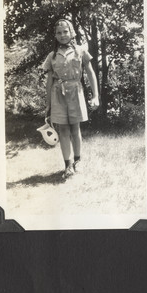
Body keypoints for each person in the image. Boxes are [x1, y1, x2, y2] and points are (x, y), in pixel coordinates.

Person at [42, 18, 99, 179]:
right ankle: (67, 165)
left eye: (65, 31)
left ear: (72, 32)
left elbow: (90, 73)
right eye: (59, 33)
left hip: (76, 92)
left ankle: (77, 161)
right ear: (55, 35)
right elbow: (49, 82)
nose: (62, 35)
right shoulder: (52, 55)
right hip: (57, 95)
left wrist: (95, 96)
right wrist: (48, 105)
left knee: (75, 128)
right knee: (63, 131)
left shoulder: (80, 51)